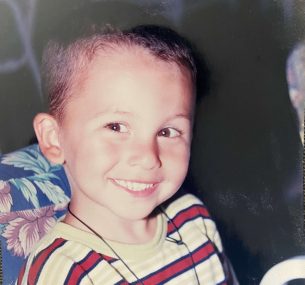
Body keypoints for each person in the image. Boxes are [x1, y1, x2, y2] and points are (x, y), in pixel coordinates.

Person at [17, 24, 235, 284]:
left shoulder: (194, 219)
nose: (148, 157)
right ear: (54, 139)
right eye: (116, 127)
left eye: (167, 131)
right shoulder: (60, 273)